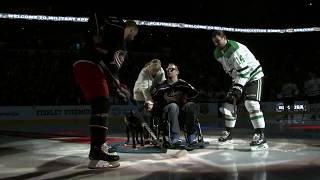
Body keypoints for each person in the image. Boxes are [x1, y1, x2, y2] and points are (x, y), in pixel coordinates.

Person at [73, 12, 138, 168]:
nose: (134, 37)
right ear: (132, 29)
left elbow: (112, 70)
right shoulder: (117, 25)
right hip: (88, 63)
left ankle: (96, 150)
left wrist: (120, 87)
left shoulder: (122, 48)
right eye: (135, 33)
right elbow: (96, 15)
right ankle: (98, 148)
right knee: (101, 104)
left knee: (100, 104)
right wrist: (94, 33)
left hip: (89, 67)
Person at [211, 30, 268, 151]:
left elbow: (245, 72)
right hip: (238, 77)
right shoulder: (217, 53)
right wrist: (236, 85)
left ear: (225, 38)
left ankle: (261, 135)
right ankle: (229, 133)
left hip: (253, 76)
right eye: (214, 42)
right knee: (229, 105)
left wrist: (238, 87)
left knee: (251, 104)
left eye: (218, 41)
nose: (217, 44)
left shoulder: (235, 49)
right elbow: (231, 70)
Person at [150, 63, 200, 146]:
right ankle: (175, 137)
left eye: (171, 69)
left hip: (183, 111)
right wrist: (165, 100)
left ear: (177, 72)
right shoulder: (161, 85)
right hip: (168, 112)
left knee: (191, 105)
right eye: (167, 69)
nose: (169, 71)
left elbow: (195, 93)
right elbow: (152, 98)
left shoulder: (183, 84)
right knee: (173, 106)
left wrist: (186, 99)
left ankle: (191, 136)